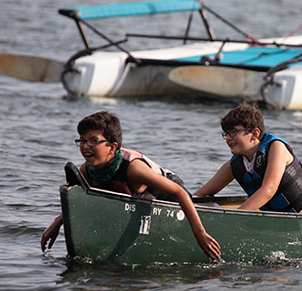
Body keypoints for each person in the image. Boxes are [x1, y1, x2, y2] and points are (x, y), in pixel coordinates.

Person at [41, 111, 221, 260]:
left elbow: (179, 193)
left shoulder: (134, 169)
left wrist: (200, 234)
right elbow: (78, 198)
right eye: (82, 140)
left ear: (112, 147)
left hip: (168, 195)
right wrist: (56, 224)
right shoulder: (87, 170)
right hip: (133, 196)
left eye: (93, 141)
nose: (85, 146)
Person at [194, 103, 302, 214]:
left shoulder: (276, 148)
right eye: (226, 133)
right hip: (279, 223)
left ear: (254, 133)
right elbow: (200, 196)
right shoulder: (233, 166)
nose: (229, 138)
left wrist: (234, 218)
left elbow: (268, 190)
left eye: (234, 132)